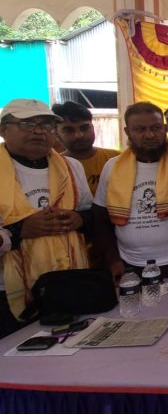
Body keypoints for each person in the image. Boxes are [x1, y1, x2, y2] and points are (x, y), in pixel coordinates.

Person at [0, 99, 93, 337]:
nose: (39, 131)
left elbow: (89, 212)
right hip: (9, 290)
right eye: (28, 124)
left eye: (46, 125)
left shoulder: (71, 167)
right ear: (3, 129)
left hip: (67, 279)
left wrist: (78, 219)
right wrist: (20, 230)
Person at [93, 102, 168, 286]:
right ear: (128, 132)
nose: (149, 135)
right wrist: (113, 260)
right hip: (128, 265)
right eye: (140, 129)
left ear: (164, 128)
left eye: (155, 128)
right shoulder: (113, 167)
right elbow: (100, 218)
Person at [52, 101, 120, 195]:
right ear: (56, 134)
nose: (79, 135)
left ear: (93, 127)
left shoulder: (117, 159)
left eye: (84, 128)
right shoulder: (53, 166)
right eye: (69, 130)